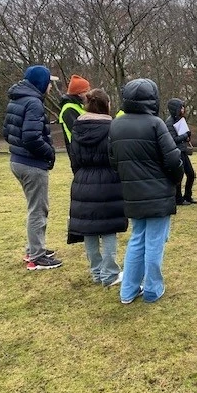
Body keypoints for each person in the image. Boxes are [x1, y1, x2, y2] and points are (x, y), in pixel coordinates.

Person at [108, 78, 184, 305]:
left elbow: (113, 161)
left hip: (132, 193)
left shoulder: (116, 124)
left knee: (137, 239)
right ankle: (152, 289)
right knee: (154, 243)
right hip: (158, 192)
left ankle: (128, 291)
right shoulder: (156, 124)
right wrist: (175, 181)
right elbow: (173, 160)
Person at [3, 65, 63, 270]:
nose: (51, 88)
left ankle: (33, 248)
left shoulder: (17, 99)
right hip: (31, 164)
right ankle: (36, 257)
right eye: (49, 83)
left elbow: (7, 132)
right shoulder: (34, 103)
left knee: (34, 208)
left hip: (17, 160)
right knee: (38, 209)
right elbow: (31, 137)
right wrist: (49, 153)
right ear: (41, 83)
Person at [68, 89, 128, 286]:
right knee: (108, 228)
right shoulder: (112, 128)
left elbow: (74, 157)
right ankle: (109, 273)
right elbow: (116, 157)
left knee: (90, 229)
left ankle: (96, 272)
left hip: (82, 179)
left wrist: (80, 175)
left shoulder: (77, 128)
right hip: (108, 180)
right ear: (106, 105)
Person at [165, 98, 197, 205]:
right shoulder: (169, 122)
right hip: (176, 152)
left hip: (182, 150)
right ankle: (178, 199)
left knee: (191, 174)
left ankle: (188, 196)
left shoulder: (180, 120)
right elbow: (172, 140)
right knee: (180, 175)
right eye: (181, 107)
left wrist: (186, 137)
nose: (183, 109)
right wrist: (185, 135)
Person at [58, 74, 91, 153]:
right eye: (87, 91)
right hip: (78, 151)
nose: (89, 94)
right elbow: (79, 132)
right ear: (79, 93)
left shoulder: (79, 106)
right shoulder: (69, 109)